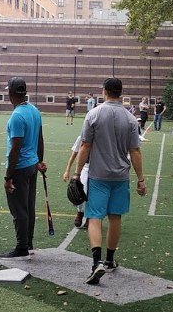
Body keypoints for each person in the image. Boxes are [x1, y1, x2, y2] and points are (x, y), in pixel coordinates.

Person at [72, 77, 146, 285]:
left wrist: (77, 174)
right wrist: (141, 179)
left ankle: (96, 263)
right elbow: (135, 150)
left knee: (94, 217)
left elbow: (85, 146)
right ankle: (110, 260)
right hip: (121, 176)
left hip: (98, 175)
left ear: (104, 91)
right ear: (121, 92)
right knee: (116, 218)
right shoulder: (131, 119)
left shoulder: (93, 114)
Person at [0, 77, 47, 259]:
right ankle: (28, 241)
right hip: (32, 165)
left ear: (11, 94)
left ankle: (22, 246)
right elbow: (40, 138)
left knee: (19, 208)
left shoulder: (17, 116)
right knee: (28, 206)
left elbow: (15, 149)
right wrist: (40, 161)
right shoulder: (34, 110)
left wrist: (8, 176)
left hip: (20, 168)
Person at [63, 135, 89, 229]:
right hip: (84, 167)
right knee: (80, 191)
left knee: (94, 193)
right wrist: (67, 170)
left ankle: (90, 217)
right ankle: (80, 212)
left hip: (98, 168)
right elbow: (74, 154)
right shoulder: (82, 137)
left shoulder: (103, 136)